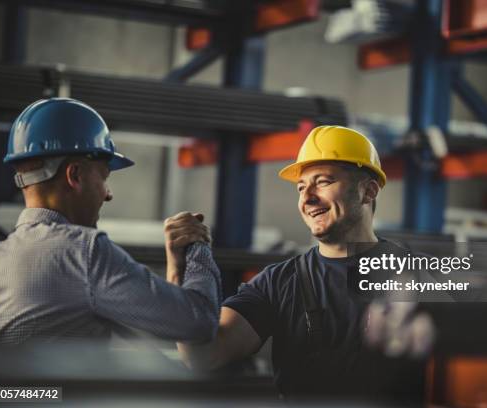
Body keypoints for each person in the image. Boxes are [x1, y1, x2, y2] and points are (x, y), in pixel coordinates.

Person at [174, 126, 432, 401]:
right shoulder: (277, 283)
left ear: (367, 192)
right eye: (301, 187)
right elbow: (203, 355)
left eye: (322, 182)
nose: (307, 197)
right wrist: (180, 270)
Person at [0, 98, 221, 345]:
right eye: (104, 178)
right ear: (74, 175)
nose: (108, 194)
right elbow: (200, 322)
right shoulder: (83, 252)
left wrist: (176, 269)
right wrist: (197, 245)